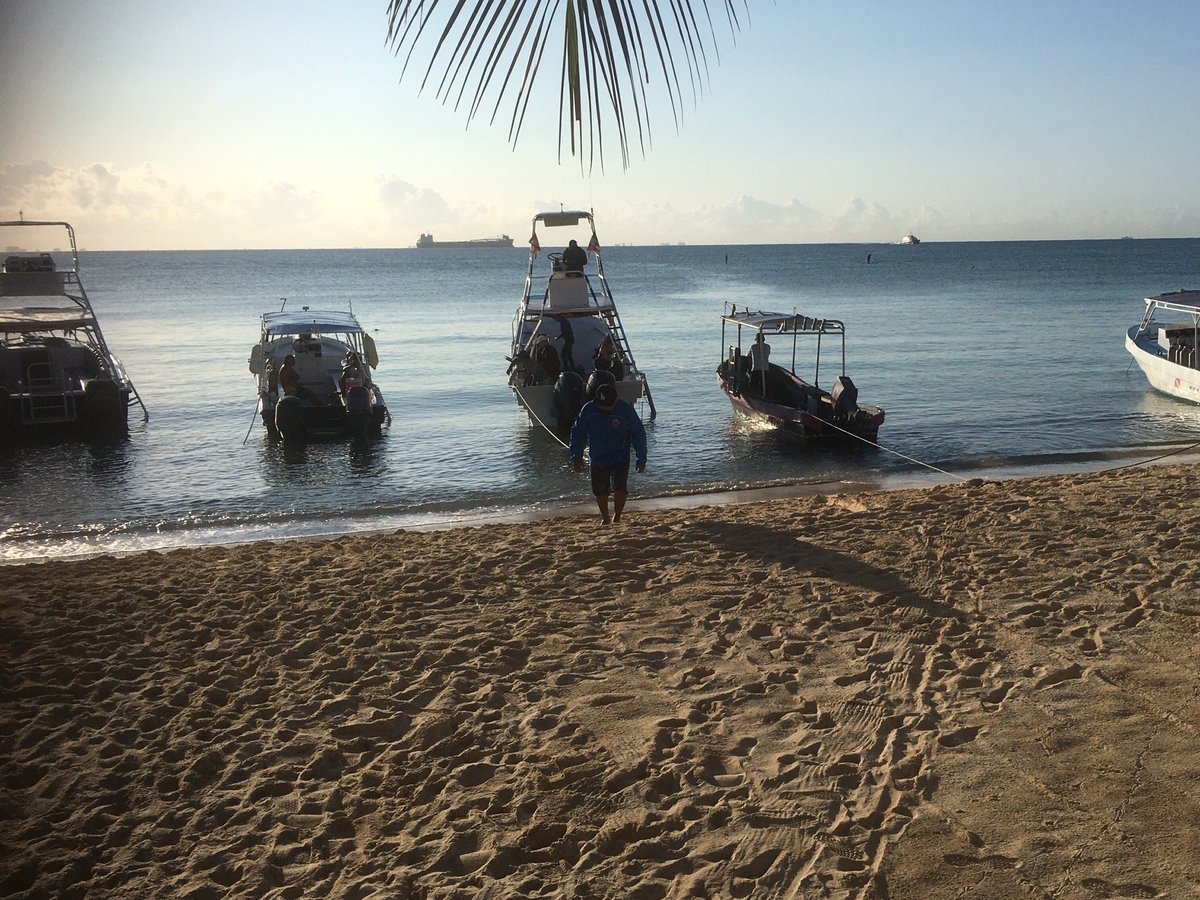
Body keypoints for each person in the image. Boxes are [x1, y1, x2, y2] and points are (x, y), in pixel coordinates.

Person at [569, 382, 647, 526]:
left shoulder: (625, 410)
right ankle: (605, 517)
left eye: (609, 406)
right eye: (603, 406)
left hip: (620, 455)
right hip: (598, 456)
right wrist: (576, 457)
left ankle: (617, 516)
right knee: (600, 491)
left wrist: (641, 458)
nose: (606, 409)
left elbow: (638, 434)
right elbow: (577, 434)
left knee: (620, 487)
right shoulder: (588, 410)